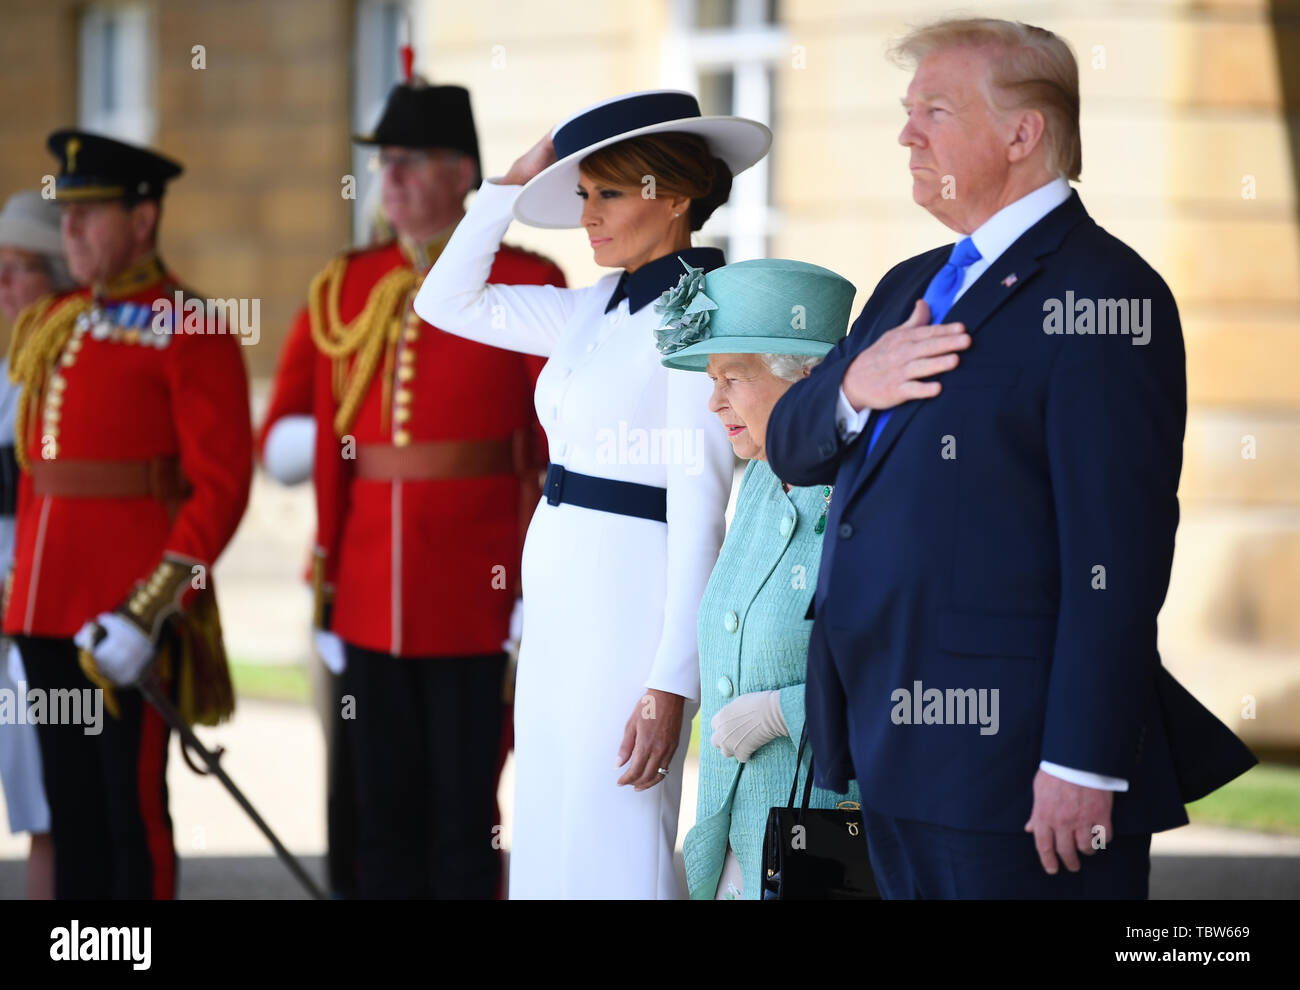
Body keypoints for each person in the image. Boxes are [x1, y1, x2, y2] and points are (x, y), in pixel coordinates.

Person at [765, 17, 1257, 899]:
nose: (907, 134)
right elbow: (792, 447)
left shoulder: (1109, 294)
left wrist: (1084, 760)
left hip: (1017, 771)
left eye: (936, 111)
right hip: (889, 743)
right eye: (907, 111)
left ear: (1023, 134)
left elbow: (1118, 554)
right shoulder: (908, 283)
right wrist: (854, 386)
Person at [414, 89, 771, 898]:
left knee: (617, 834)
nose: (588, 215)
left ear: (675, 196)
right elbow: (443, 301)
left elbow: (698, 509)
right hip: (560, 588)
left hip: (631, 600)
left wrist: (673, 681)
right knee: (545, 815)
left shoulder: (698, 317)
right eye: (583, 194)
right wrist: (507, 186)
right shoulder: (589, 310)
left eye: (610, 192)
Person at [307, 78, 565, 899]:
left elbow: (559, 436)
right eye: (384, 162)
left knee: (464, 816)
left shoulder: (526, 275)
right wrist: (329, 577)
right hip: (370, 596)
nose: (391, 178)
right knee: (377, 815)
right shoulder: (349, 284)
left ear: (463, 171)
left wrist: (535, 579)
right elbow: (329, 447)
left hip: (474, 593)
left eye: (410, 161)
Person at [4, 130, 253, 899]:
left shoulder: (192, 326)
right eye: (66, 214)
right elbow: (36, 477)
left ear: (142, 220)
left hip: (123, 618)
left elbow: (221, 486)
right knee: (70, 811)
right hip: (45, 616)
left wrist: (148, 611)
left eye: (89, 213)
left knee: (128, 813)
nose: (69, 230)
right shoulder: (58, 321)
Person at [654, 257, 864, 899]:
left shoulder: (869, 497)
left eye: (732, 378)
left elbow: (908, 673)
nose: (713, 400)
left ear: (806, 380)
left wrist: (783, 711)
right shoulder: (762, 485)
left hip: (828, 852)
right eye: (712, 378)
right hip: (732, 846)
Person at [0, 190, 76, 899]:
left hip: (44, 610)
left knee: (50, 811)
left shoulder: (73, 377)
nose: (3, 288)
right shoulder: (8, 376)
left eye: (17, 269)